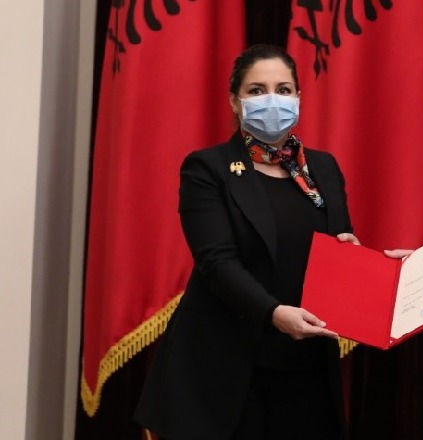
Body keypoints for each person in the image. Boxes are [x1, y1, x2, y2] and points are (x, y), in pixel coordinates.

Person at [134, 43, 358, 440]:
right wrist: (274, 313)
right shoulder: (208, 168)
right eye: (257, 90)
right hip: (223, 371)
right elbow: (217, 263)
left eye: (283, 89)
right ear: (234, 101)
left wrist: (356, 260)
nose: (272, 100)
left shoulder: (322, 168)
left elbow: (337, 244)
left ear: (299, 97)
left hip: (305, 371)